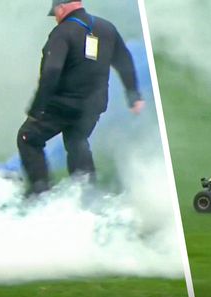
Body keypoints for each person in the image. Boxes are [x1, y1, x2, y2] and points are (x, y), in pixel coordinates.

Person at [17, 0, 145, 196]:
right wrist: (133, 95)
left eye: (56, 13)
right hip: (93, 106)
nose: (56, 18)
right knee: (77, 141)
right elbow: (124, 61)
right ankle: (87, 193)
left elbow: (51, 71)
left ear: (61, 8)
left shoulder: (62, 33)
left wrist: (37, 109)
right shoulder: (106, 28)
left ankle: (40, 193)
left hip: (62, 106)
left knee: (28, 138)